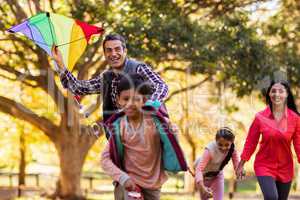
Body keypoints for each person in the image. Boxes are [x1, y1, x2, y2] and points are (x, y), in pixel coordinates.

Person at [51, 33, 168, 138]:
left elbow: (161, 86)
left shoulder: (138, 68)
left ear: (125, 51)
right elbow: (78, 87)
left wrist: (148, 105)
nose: (113, 54)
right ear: (105, 54)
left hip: (146, 133)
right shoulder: (106, 78)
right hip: (119, 138)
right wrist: (61, 64)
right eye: (109, 50)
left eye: (117, 49)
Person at [100, 73, 185, 200]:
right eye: (126, 99)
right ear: (118, 100)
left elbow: (171, 143)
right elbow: (105, 160)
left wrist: (174, 133)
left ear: (144, 100)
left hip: (153, 185)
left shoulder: (156, 122)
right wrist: (124, 179)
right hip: (129, 184)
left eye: (136, 99)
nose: (130, 104)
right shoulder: (120, 127)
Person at [237, 80, 300, 200]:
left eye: (281, 91)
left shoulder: (295, 119)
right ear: (269, 94)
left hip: (285, 167)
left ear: (286, 94)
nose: (277, 94)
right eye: (273, 91)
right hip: (264, 165)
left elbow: (298, 144)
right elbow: (251, 142)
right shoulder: (260, 117)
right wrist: (241, 164)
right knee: (271, 197)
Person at [195, 127, 240, 200]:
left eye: (227, 145)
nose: (223, 148)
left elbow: (236, 165)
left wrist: (240, 171)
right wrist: (202, 187)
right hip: (204, 177)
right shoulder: (209, 150)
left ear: (232, 142)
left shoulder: (232, 150)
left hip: (217, 175)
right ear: (216, 141)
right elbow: (199, 169)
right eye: (220, 144)